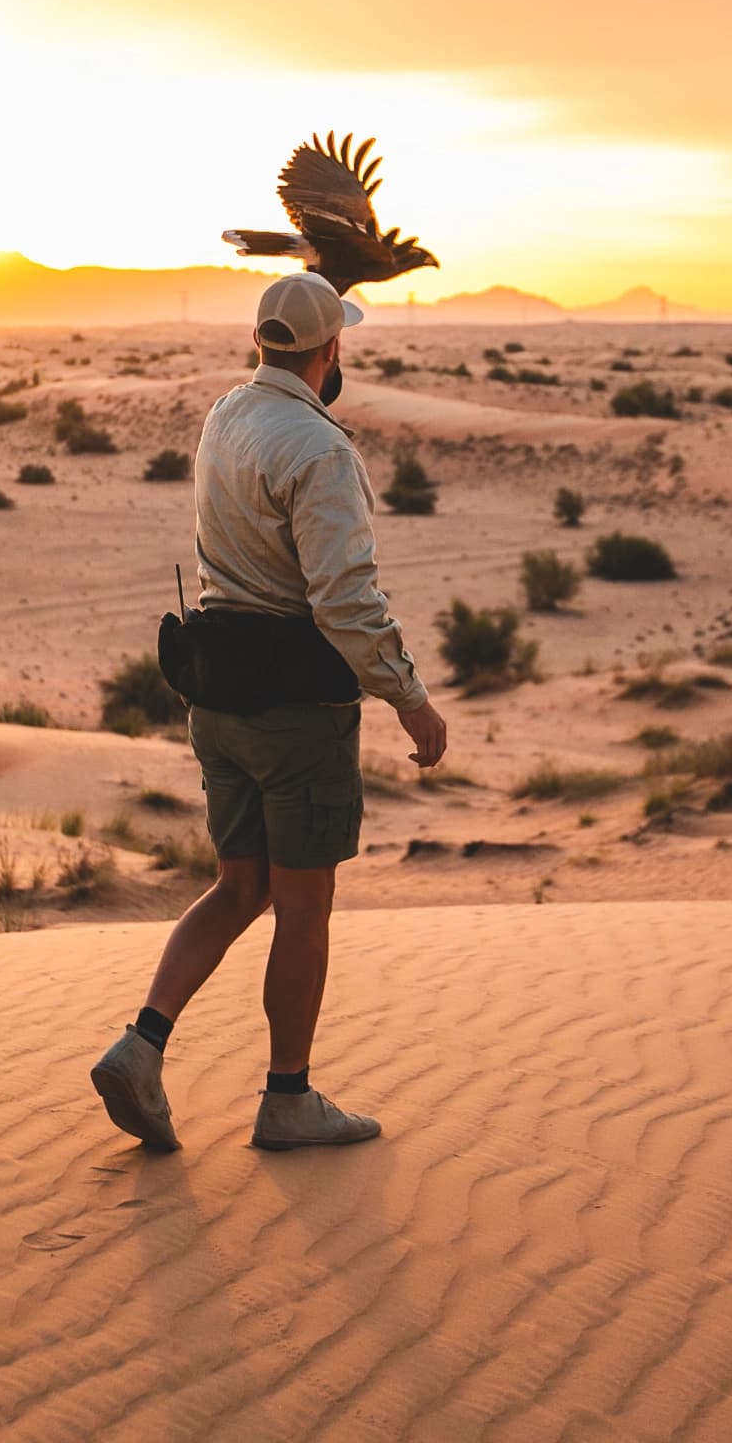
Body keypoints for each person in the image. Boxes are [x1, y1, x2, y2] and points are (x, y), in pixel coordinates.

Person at [91, 271, 448, 1153]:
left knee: (239, 885)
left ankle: (142, 1044)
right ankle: (287, 1097)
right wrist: (413, 701)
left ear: (261, 342)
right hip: (295, 711)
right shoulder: (321, 451)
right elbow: (346, 602)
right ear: (329, 352)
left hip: (218, 697)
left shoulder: (225, 416)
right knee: (302, 906)